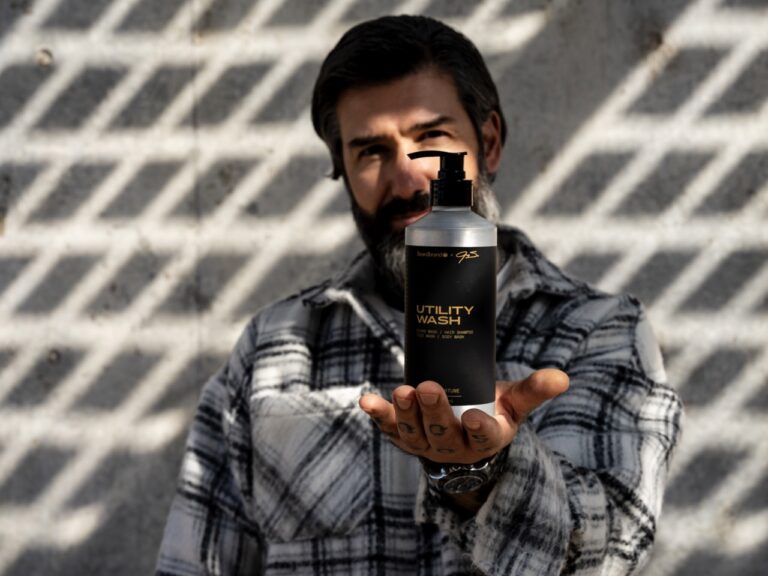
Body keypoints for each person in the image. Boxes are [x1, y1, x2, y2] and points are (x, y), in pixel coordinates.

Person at [156, 15, 682, 576]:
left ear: (489, 143)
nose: (407, 180)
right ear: (342, 170)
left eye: (431, 138)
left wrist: (485, 477)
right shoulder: (275, 349)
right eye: (371, 151)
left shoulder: (598, 332)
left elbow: (606, 553)